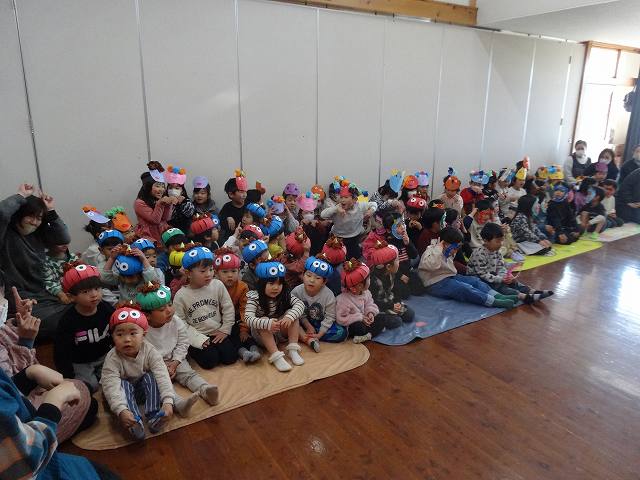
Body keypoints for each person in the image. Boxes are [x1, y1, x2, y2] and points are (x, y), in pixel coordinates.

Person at [0, 277, 97, 444]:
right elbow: (12, 395)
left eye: (2, 295)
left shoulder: (4, 330)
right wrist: (53, 401)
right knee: (89, 404)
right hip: (22, 427)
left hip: (24, 394)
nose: (94, 295)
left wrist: (20, 326)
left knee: (83, 388)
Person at [0, 366, 116, 479]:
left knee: (84, 393)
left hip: (47, 458)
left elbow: (6, 394)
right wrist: (52, 405)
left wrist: (26, 376)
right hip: (41, 465)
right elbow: (24, 462)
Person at [0, 184, 71, 338]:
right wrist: (20, 196)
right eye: (30, 216)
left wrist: (50, 211)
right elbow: (2, 212)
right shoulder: (5, 234)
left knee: (84, 309)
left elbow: (63, 237)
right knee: (62, 321)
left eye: (39, 218)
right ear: (19, 215)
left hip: (45, 295)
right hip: (19, 300)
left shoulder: (38, 234)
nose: (34, 222)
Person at [101, 305, 179, 440]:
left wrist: (168, 401)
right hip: (124, 394)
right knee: (123, 384)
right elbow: (110, 385)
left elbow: (162, 375)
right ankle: (134, 420)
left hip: (141, 390)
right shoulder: (112, 358)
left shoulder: (150, 350)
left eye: (133, 333)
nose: (127, 339)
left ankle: (154, 415)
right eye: (119, 334)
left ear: (144, 334)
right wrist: (121, 410)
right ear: (112, 336)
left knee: (152, 376)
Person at [137, 282, 219, 406]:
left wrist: (176, 362)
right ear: (147, 316)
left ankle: (205, 389)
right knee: (159, 384)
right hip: (154, 365)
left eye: (170, 304)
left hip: (175, 358)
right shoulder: (142, 331)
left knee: (189, 374)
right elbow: (142, 355)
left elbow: (183, 342)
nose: (169, 310)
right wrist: (161, 367)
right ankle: (178, 403)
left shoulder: (175, 321)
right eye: (162, 309)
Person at [417, 227, 516, 308]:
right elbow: (431, 265)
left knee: (475, 281)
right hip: (434, 283)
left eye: (458, 248)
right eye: (455, 248)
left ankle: (498, 296)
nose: (456, 251)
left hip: (448, 277)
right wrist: (439, 249)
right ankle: (493, 301)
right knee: (463, 288)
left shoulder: (449, 250)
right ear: (445, 244)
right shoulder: (431, 251)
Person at [173, 246, 237, 370]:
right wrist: (197, 339)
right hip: (198, 335)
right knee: (210, 361)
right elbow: (180, 323)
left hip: (217, 331)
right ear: (188, 273)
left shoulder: (217, 285)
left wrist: (225, 329)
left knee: (230, 357)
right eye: (202, 271)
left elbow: (228, 308)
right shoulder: (181, 296)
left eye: (211, 269)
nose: (208, 274)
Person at [54, 263, 113, 392]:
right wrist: (67, 375)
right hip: (81, 361)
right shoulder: (68, 320)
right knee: (89, 386)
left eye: (97, 288)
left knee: (114, 379)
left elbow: (116, 329)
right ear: (71, 297)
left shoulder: (106, 308)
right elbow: (61, 350)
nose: (94, 294)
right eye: (85, 292)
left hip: (105, 355)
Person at [467, 223, 554, 304]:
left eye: (501, 241)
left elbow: (500, 267)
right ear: (486, 241)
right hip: (478, 280)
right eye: (497, 241)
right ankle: (523, 296)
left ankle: (530, 291)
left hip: (491, 275)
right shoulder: (479, 253)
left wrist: (507, 277)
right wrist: (501, 279)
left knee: (512, 281)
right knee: (499, 286)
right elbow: (482, 274)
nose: (501, 244)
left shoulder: (496, 252)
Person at [244, 261, 306, 372]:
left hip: (280, 331)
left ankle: (293, 349)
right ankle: (276, 356)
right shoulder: (254, 297)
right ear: (262, 283)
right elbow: (248, 318)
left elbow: (300, 304)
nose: (276, 288)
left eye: (279, 284)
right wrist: (267, 323)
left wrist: (289, 317)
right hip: (262, 336)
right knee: (264, 319)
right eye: (271, 283)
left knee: (292, 314)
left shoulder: (284, 294)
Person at [213, 247, 261, 364]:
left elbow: (245, 308)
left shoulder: (242, 286)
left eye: (234, 271)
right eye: (225, 272)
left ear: (239, 271)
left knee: (247, 333)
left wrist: (244, 329)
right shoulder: (213, 287)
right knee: (232, 335)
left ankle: (254, 350)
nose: (230, 275)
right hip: (221, 321)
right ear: (216, 273)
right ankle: (243, 352)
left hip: (239, 317)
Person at [336, 258, 400, 343]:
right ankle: (370, 333)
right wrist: (360, 318)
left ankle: (368, 336)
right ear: (360, 286)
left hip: (366, 320)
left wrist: (370, 313)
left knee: (382, 318)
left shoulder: (366, 292)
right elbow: (341, 319)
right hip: (354, 325)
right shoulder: (343, 299)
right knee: (359, 327)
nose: (370, 280)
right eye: (368, 278)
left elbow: (370, 304)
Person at [291, 256, 347, 352]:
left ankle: (306, 336)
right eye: (308, 275)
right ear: (303, 275)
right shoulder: (296, 291)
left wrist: (320, 334)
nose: (312, 280)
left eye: (317, 278)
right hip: (302, 321)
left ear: (324, 282)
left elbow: (330, 316)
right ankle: (305, 336)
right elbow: (296, 311)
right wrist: (308, 326)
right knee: (292, 322)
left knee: (341, 333)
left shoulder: (328, 295)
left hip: (320, 323)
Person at [320, 178, 376, 260]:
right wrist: (336, 209)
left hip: (353, 238)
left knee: (353, 260)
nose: (343, 200)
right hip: (337, 238)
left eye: (346, 197)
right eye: (341, 197)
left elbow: (374, 204)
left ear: (354, 199)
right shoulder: (337, 208)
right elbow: (323, 215)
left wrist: (371, 211)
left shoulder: (359, 206)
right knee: (334, 259)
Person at [368, 241, 415, 324]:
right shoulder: (373, 281)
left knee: (410, 315)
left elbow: (395, 291)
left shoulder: (392, 274)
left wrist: (397, 302)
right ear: (388, 266)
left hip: (390, 301)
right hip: (379, 307)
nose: (399, 262)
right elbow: (373, 302)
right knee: (396, 321)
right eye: (397, 260)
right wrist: (391, 306)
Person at [134, 163, 175, 245]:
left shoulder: (159, 199)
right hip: (149, 237)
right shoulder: (139, 203)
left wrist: (169, 203)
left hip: (163, 234)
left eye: (163, 186)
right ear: (148, 187)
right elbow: (155, 220)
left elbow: (166, 218)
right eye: (157, 186)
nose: (161, 189)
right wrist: (160, 203)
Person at [43, 238, 78, 305]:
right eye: (59, 243)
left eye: (66, 241)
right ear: (48, 244)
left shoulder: (73, 257)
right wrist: (60, 294)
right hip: (58, 295)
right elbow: (48, 282)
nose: (64, 244)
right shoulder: (45, 261)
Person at [219, 170, 248, 241]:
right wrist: (227, 218)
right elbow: (220, 220)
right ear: (231, 194)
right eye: (241, 192)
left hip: (247, 238)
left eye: (245, 191)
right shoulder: (227, 207)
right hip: (231, 240)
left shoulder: (248, 206)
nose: (244, 195)